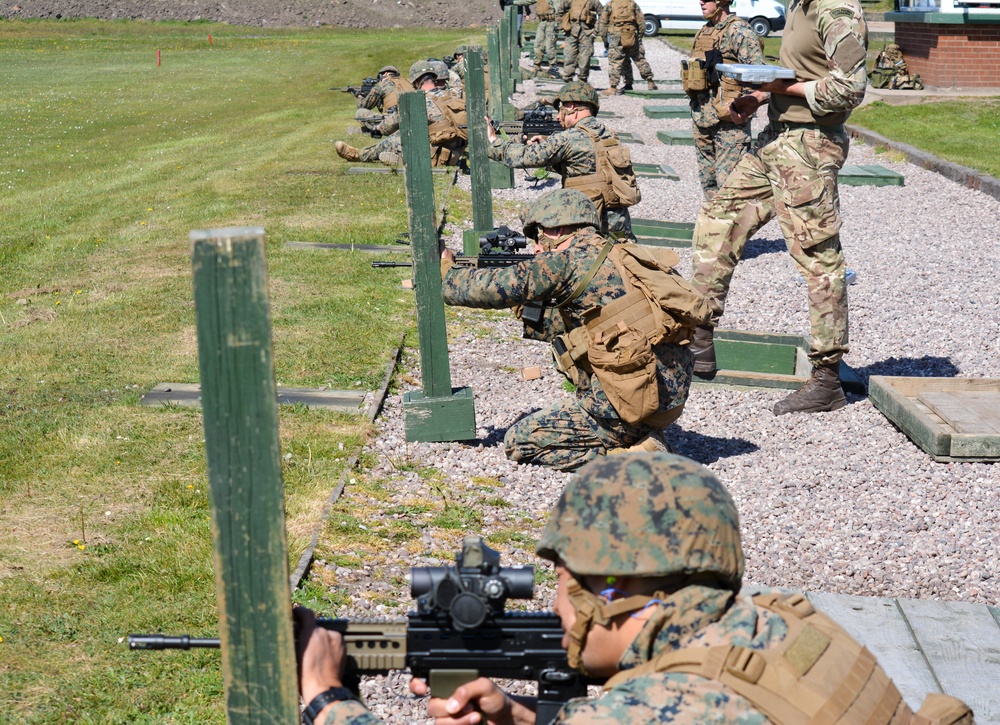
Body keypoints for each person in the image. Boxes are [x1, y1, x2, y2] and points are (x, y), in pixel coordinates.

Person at [295, 453, 974, 725]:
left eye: (567, 583)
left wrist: (327, 696)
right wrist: (529, 717)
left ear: (619, 589)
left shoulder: (654, 706)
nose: (556, 605)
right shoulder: (790, 626)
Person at [688, 0, 869, 415]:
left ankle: (826, 379)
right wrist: (756, 96)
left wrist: (777, 89)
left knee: (817, 257)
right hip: (775, 137)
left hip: (809, 147)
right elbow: (801, 70)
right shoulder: (798, 5)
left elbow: (848, 89)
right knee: (718, 218)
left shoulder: (836, 10)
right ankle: (698, 334)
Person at [443, 189, 702, 470]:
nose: (536, 248)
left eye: (538, 235)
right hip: (665, 398)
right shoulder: (618, 251)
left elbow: (478, 290)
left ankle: (635, 458)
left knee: (520, 441)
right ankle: (640, 435)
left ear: (557, 229)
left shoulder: (565, 261)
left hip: (631, 403)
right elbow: (559, 327)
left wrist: (446, 268)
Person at [486, 81, 640, 240]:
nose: (559, 116)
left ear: (571, 106)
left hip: (590, 225)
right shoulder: (608, 134)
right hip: (620, 226)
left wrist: (494, 142)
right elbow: (589, 166)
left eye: (560, 110)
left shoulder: (569, 138)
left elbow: (524, 157)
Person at [684, 0, 765, 198]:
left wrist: (748, 105)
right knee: (709, 187)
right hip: (702, 118)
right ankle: (713, 228)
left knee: (730, 191)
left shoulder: (739, 31)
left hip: (730, 124)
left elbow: (761, 78)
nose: (700, 1)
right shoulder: (704, 31)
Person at [334, 60, 467, 168]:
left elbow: (390, 124)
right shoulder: (450, 96)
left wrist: (377, 128)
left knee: (393, 139)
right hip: (453, 152)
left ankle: (360, 155)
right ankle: (402, 158)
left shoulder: (418, 101)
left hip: (433, 153)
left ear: (416, 81)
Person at [596, 0, 658, 96]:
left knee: (615, 62)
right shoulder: (632, 3)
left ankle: (613, 88)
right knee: (639, 59)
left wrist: (605, 40)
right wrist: (639, 36)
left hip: (616, 36)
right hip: (632, 34)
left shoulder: (610, 5)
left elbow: (603, 24)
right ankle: (650, 82)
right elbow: (641, 21)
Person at [354, 65, 413, 138]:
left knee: (360, 112)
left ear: (385, 74)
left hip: (393, 121)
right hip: (412, 118)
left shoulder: (383, 84)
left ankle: (379, 128)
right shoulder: (408, 82)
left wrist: (359, 97)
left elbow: (364, 105)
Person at [560, 0, 601, 83]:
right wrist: (562, 27)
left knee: (585, 58)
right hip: (571, 31)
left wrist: (595, 32)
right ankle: (567, 79)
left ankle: (582, 79)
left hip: (587, 32)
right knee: (569, 55)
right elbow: (559, 12)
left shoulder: (593, 1)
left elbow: (603, 15)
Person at [531, 0, 564, 78]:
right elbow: (528, 1)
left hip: (551, 23)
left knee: (550, 46)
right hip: (542, 22)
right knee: (538, 44)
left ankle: (552, 66)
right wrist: (514, 2)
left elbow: (558, 10)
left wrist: (557, 23)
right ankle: (537, 65)